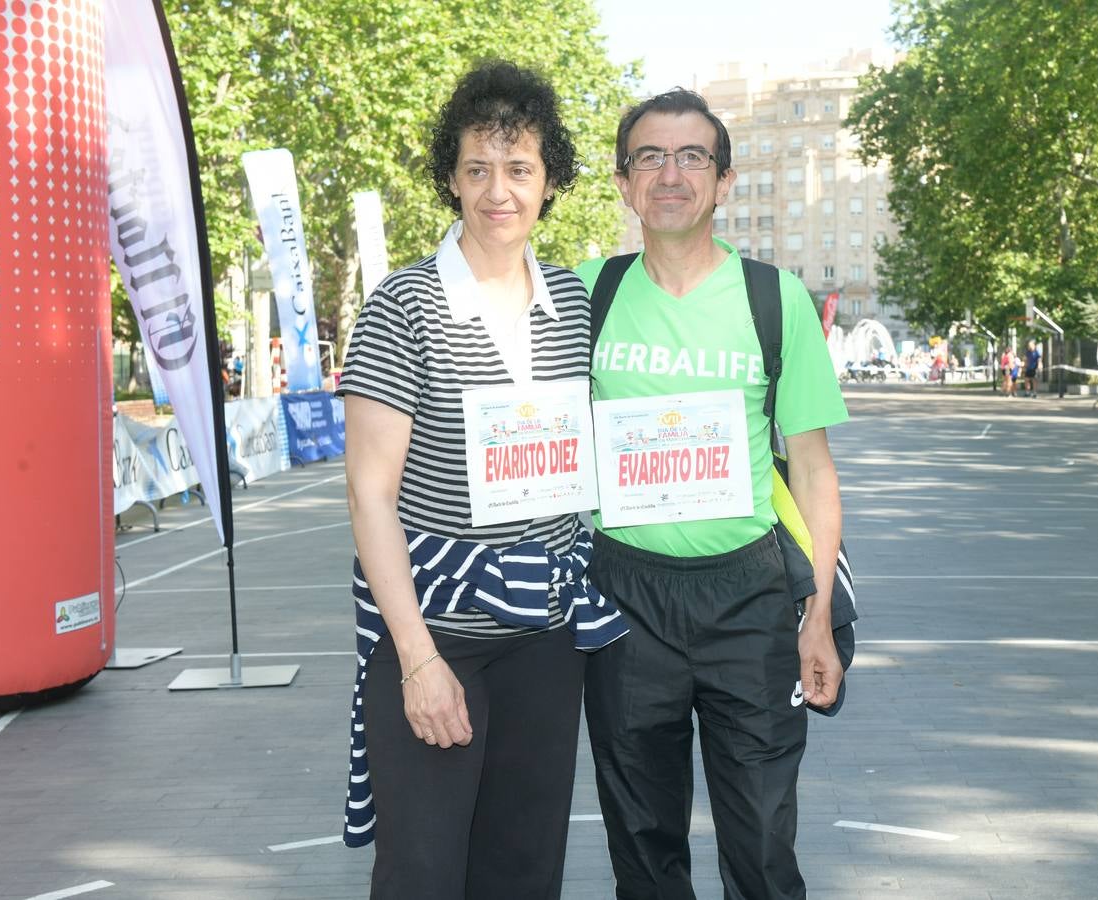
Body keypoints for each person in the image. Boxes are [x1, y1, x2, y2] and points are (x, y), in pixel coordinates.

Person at [335, 61, 623, 899]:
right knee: (424, 872)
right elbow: (370, 497)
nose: (499, 190)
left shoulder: (571, 300)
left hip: (546, 635)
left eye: (520, 168)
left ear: (550, 180)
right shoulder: (404, 305)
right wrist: (419, 662)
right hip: (437, 632)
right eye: (478, 169)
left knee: (525, 868)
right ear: (452, 180)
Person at [577, 89, 849, 900]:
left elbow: (813, 466)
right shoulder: (582, 292)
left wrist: (819, 615)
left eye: (692, 156)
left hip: (752, 598)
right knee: (643, 852)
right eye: (649, 157)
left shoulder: (776, 298)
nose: (671, 173)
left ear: (724, 181)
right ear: (624, 184)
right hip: (622, 598)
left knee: (764, 851)